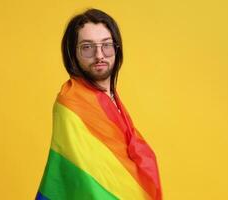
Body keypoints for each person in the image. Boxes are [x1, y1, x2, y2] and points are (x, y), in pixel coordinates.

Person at [36, 8, 162, 200]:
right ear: (73, 53)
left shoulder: (112, 100)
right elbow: (86, 178)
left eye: (107, 45)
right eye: (87, 47)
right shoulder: (71, 102)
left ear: (116, 48)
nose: (99, 55)